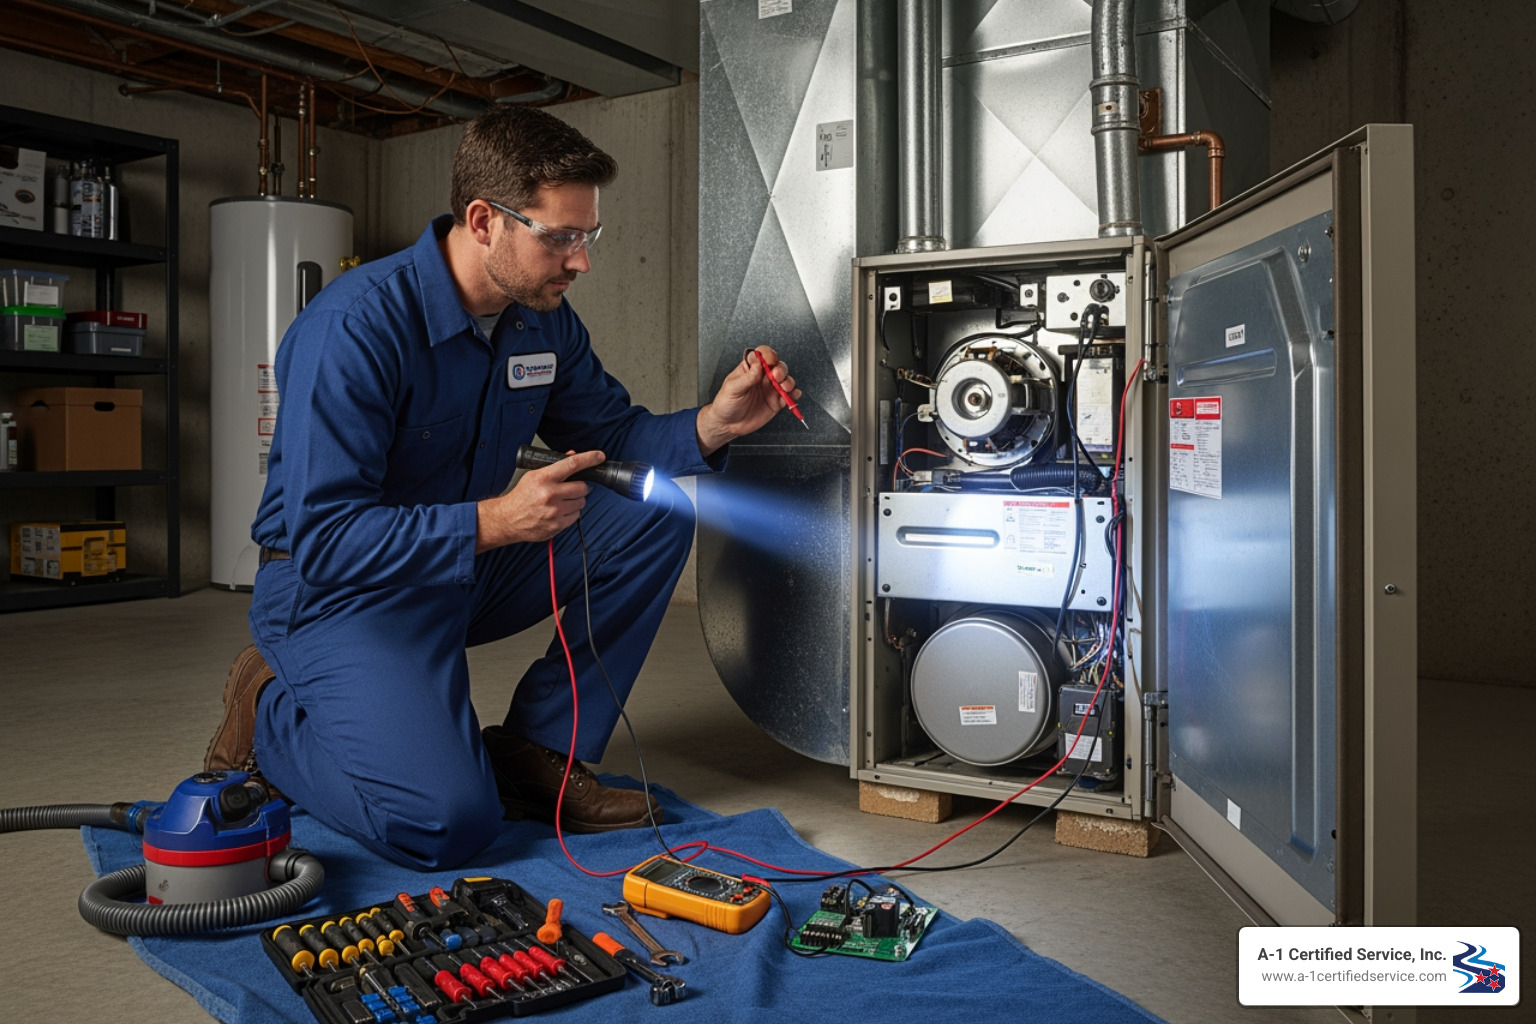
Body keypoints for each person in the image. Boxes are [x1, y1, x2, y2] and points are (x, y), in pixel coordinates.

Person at [203, 105, 799, 870]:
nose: (580, 261)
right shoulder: (354, 328)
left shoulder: (539, 320)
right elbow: (325, 539)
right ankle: (270, 713)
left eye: (587, 236)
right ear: (484, 220)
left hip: (464, 569)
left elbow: (613, 438)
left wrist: (713, 425)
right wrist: (491, 521)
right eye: (559, 237)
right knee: (443, 824)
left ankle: (538, 749)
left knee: (654, 511)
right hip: (335, 595)